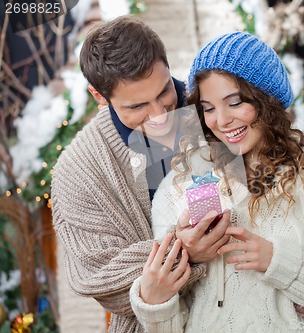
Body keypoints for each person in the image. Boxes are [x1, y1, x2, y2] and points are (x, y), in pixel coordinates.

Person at [130, 31, 304, 332]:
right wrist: (156, 301)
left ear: (268, 100)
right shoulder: (178, 189)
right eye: (208, 108)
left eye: (235, 103)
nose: (221, 121)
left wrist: (280, 263)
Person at [51, 16, 233, 333]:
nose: (160, 115)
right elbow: (101, 280)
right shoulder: (77, 171)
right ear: (98, 95)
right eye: (137, 106)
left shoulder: (218, 109)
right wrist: (186, 250)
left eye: (164, 92)